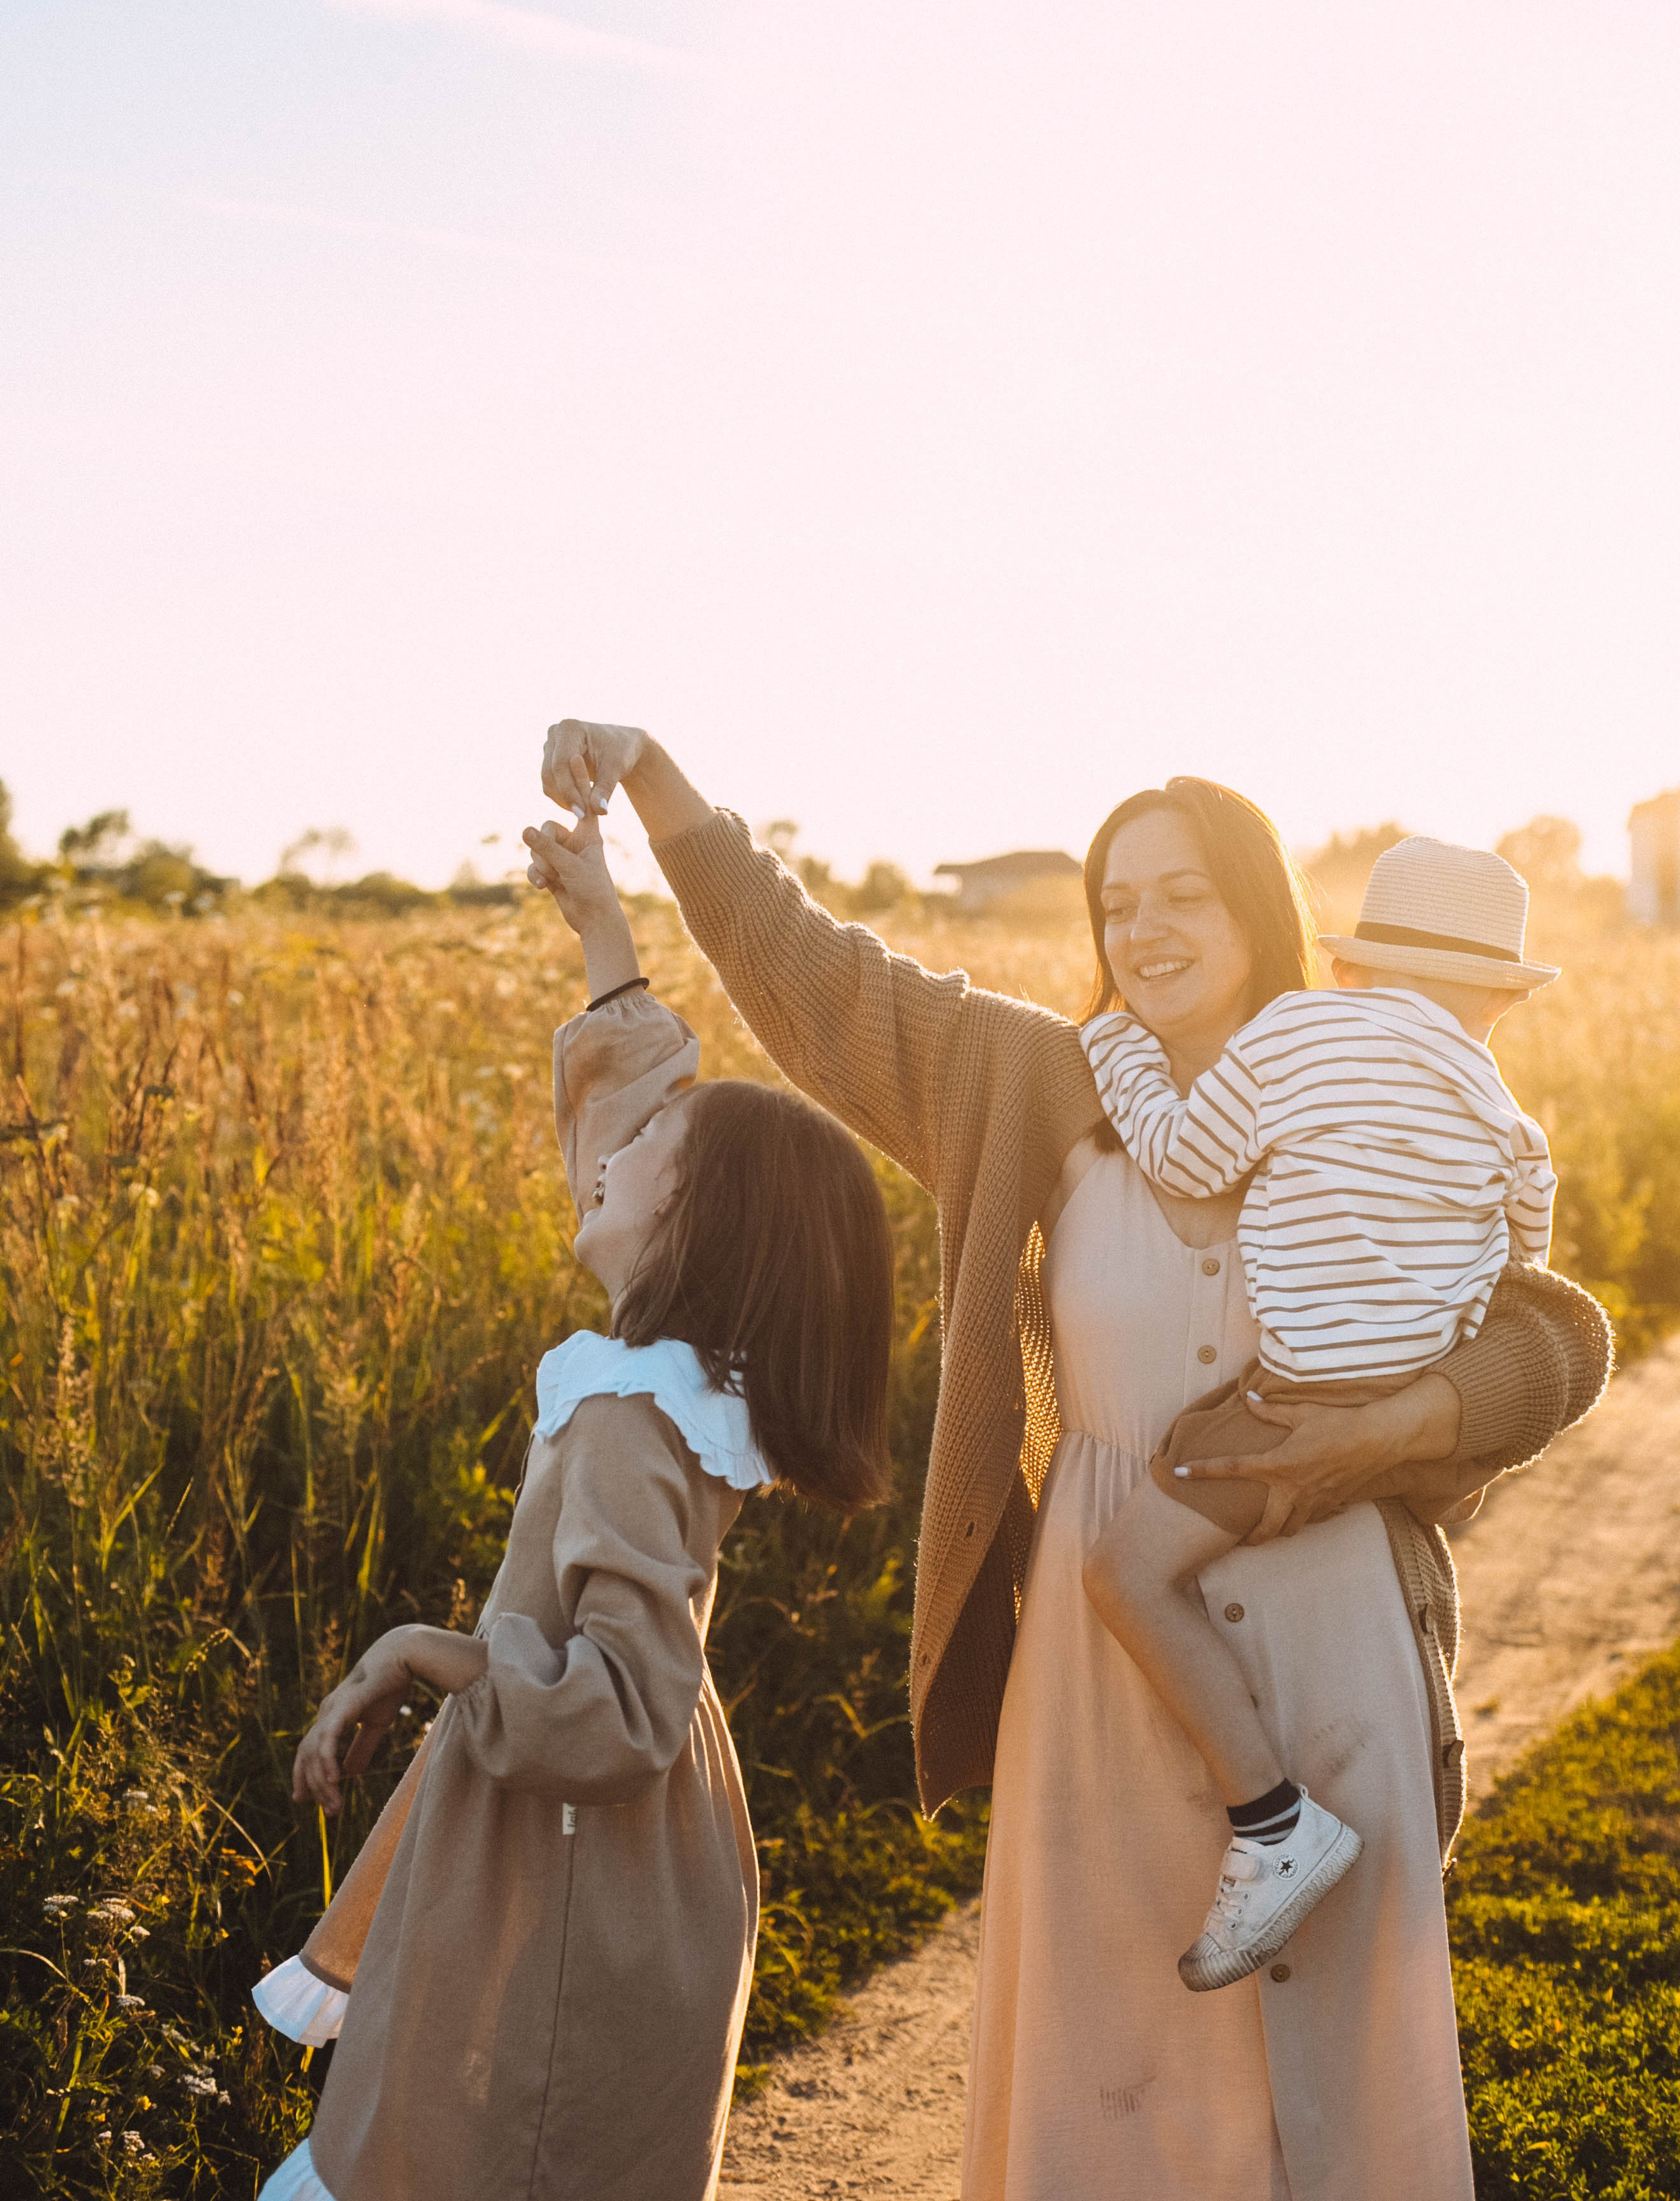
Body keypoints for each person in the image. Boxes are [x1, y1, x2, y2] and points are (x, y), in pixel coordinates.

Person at [528, 728, 1612, 2201]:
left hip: (1337, 1625)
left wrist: (1393, 1428)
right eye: (1118, 902)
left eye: (1186, 897)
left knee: (1333, 2068)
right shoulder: (1034, 1083)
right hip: (1102, 1651)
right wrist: (655, 783)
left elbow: (1553, 1327)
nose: (1146, 930)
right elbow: (813, 977)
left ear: (1262, 911)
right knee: (1119, 2056)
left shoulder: (1360, 1078)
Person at [250, 810, 894, 2201]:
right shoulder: (664, 1372)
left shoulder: (622, 1411)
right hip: (600, 1834)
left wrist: (420, 1652)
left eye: (652, 1144)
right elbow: (627, 1099)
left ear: (684, 1225)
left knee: (484, 2140)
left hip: (572, 1839)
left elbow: (615, 1712)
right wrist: (600, 916)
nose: (607, 1146)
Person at [1077, 836, 1559, 1992]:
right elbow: (1521, 1291)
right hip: (1410, 1394)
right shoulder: (1514, 1127)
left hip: (1294, 1394)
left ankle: (1275, 1823)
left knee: (1125, 1574)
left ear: (1349, 970)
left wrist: (1118, 1049)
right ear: (1501, 993)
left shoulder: (1294, 1038)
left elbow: (1187, 1163)